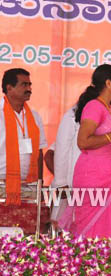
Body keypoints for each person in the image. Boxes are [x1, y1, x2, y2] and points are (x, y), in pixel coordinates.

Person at [61, 64, 111, 239]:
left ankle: (107, 262)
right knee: (92, 230)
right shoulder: (94, 106)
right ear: (108, 83)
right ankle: (89, 263)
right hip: (95, 178)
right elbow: (83, 141)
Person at [0, 68, 47, 215]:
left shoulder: (34, 117)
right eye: (24, 85)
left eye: (30, 85)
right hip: (2, 181)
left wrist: (39, 183)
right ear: (9, 88)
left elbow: (39, 151)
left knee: (24, 231)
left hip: (29, 185)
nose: (29, 89)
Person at [48, 103, 81, 228]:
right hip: (67, 187)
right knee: (59, 228)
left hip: (85, 188)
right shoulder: (72, 117)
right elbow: (49, 155)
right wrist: (62, 181)